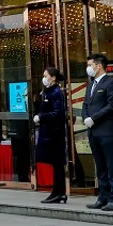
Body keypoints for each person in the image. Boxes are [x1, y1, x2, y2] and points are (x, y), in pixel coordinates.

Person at [82, 54, 113, 211]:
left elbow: (112, 105)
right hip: (93, 131)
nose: (89, 68)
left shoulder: (110, 82)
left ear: (98, 66)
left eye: (90, 64)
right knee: (100, 166)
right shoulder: (90, 84)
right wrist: (86, 117)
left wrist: (94, 118)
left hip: (106, 130)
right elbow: (86, 104)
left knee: (112, 165)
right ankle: (103, 197)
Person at [34, 67, 67, 203]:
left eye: (46, 75)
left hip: (54, 133)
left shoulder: (56, 93)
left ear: (52, 78)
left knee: (57, 163)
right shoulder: (47, 92)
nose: (44, 78)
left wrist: (41, 117)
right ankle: (58, 192)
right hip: (50, 132)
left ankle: (58, 192)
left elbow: (58, 113)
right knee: (55, 163)